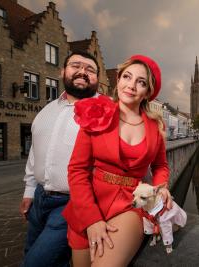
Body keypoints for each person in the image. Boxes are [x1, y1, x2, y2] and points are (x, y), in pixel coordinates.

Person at [62, 54, 173, 266]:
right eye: (127, 77)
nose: (131, 86)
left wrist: (161, 187)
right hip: (89, 203)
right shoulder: (96, 112)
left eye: (140, 82)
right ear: (118, 79)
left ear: (148, 92)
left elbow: (160, 165)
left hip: (129, 204)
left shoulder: (155, 126)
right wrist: (91, 219)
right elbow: (77, 170)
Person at [19, 51, 100, 267]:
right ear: (63, 72)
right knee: (31, 252)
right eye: (76, 66)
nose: (82, 71)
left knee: (36, 263)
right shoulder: (47, 110)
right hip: (39, 199)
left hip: (72, 203)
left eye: (90, 69)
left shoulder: (106, 110)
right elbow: (35, 152)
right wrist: (29, 190)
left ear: (97, 79)